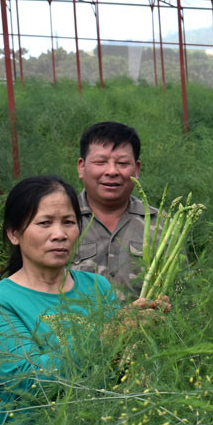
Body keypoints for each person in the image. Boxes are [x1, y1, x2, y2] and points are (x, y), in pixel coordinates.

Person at [0, 176, 168, 425]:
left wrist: (142, 329)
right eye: (44, 223)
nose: (60, 234)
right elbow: (28, 382)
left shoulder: (97, 287)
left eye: (68, 222)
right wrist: (108, 334)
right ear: (14, 233)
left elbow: (115, 368)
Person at [73, 121, 158, 303]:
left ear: (136, 169)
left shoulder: (162, 225)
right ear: (81, 167)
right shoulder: (58, 221)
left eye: (122, 163)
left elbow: (183, 296)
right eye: (100, 162)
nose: (112, 171)